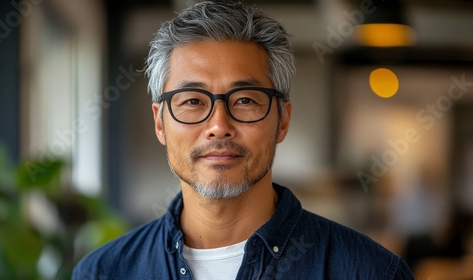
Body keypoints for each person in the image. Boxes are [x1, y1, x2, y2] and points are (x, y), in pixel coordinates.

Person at [72, 1, 415, 279]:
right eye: (192, 101)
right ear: (160, 123)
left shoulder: (371, 272)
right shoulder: (104, 272)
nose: (218, 125)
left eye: (245, 100)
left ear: (283, 120)